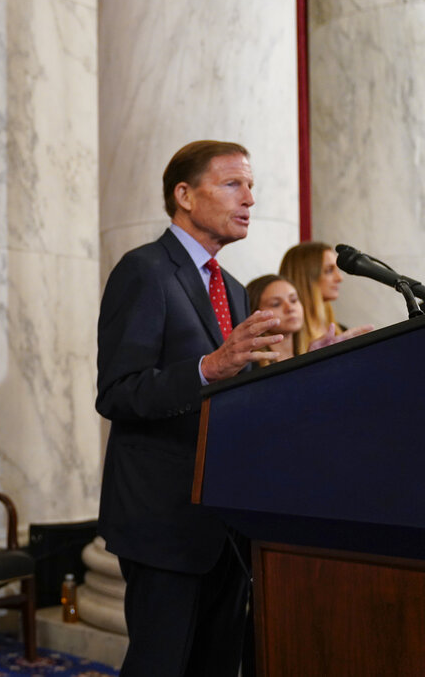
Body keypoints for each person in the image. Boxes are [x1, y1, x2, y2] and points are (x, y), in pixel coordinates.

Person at [96, 141, 284, 677]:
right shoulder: (145, 271)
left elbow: (239, 390)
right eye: (233, 184)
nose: (249, 198)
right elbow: (118, 392)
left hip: (226, 515)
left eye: (251, 187)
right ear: (184, 194)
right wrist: (207, 368)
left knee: (217, 665)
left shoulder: (233, 288)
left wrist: (310, 367)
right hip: (166, 520)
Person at [246, 274, 374, 366]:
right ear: (254, 312)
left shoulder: (308, 350)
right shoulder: (250, 365)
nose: (289, 308)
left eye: (294, 300)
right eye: (276, 304)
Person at [279, 241, 345, 350]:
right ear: (305, 277)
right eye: (329, 271)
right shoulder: (288, 338)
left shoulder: (342, 331)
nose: (339, 278)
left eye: (337, 270)